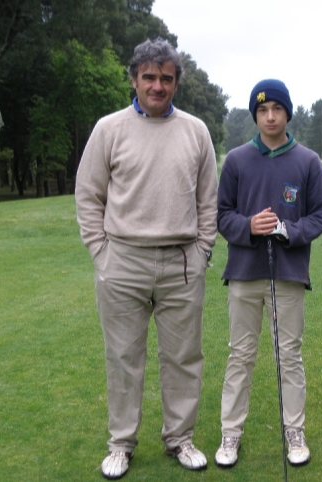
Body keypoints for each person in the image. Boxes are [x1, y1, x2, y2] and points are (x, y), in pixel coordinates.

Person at [75, 38, 218, 479]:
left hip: (181, 262)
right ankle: (121, 443)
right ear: (134, 79)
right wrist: (101, 253)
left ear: (176, 83)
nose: (158, 86)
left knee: (183, 358)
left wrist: (201, 253)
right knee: (123, 357)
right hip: (123, 261)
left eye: (166, 78)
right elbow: (88, 196)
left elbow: (208, 201)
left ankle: (180, 438)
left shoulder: (196, 131)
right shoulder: (109, 129)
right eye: (149, 77)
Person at [214, 79, 322, 469]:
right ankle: (230, 434)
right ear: (255, 115)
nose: (270, 117)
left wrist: (287, 230)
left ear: (287, 113)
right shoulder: (235, 160)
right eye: (262, 111)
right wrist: (249, 226)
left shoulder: (308, 161)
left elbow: (321, 214)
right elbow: (222, 216)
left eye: (276, 109)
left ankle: (294, 432)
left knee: (289, 357)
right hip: (245, 273)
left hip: (287, 273)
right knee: (240, 356)